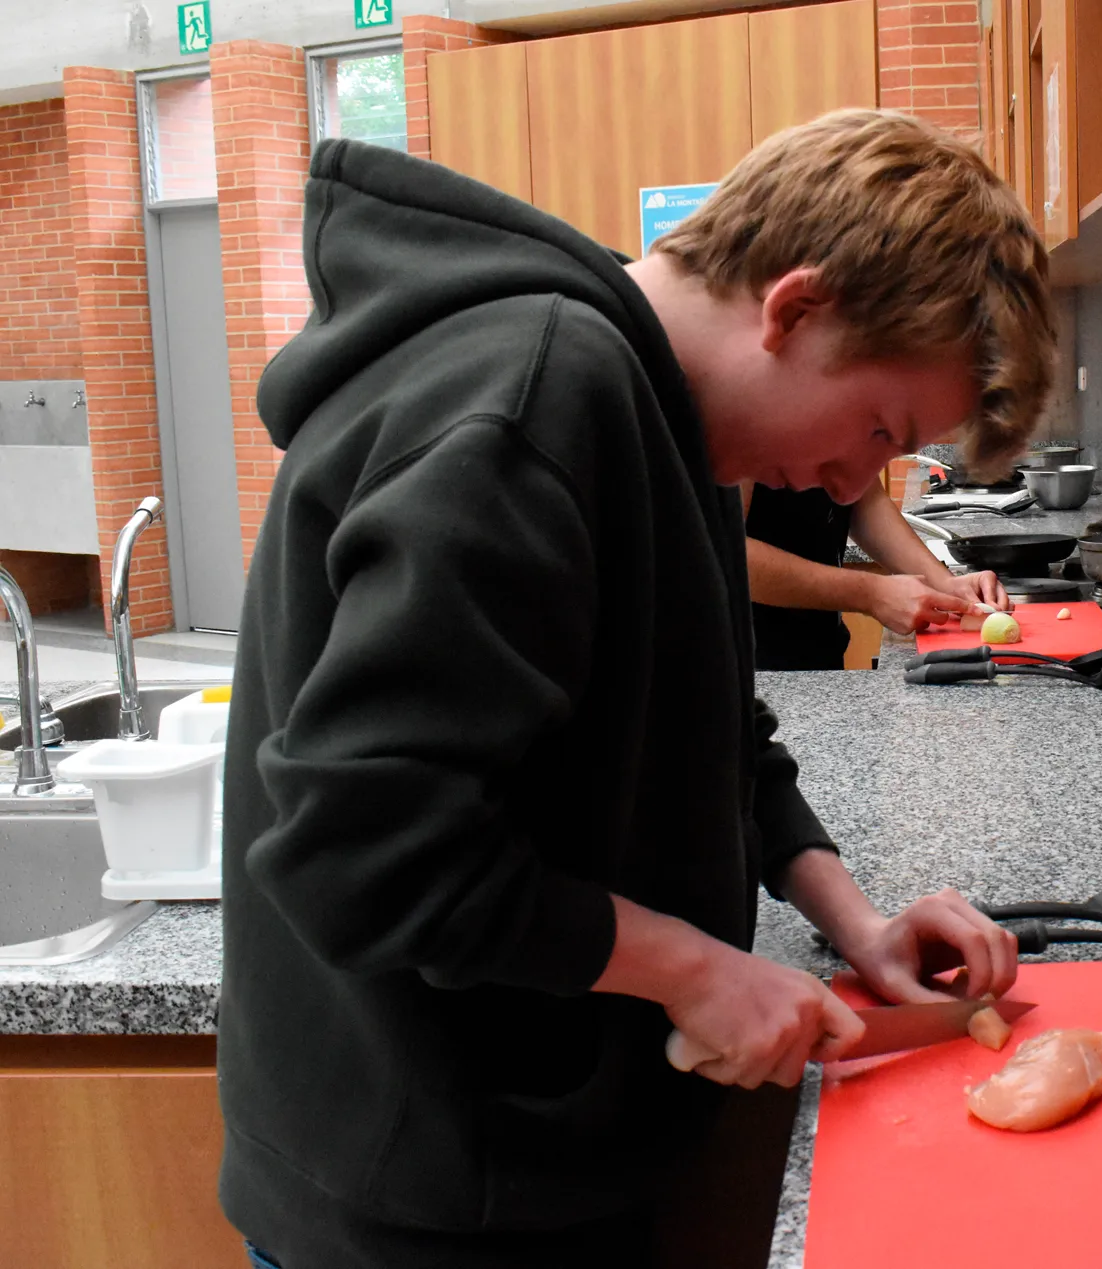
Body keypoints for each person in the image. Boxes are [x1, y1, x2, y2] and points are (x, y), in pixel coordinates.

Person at [217, 109, 1055, 1267]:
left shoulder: (676, 417)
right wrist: (695, 968)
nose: (857, 479)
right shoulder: (534, 401)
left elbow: (717, 730)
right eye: (878, 427)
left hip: (534, 1150)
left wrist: (851, 920)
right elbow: (360, 855)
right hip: (431, 1195)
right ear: (794, 307)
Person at [743, 480, 1010, 670]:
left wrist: (944, 584)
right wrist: (871, 593)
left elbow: (861, 495)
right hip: (746, 667)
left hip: (817, 652)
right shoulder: (737, 411)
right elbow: (728, 553)